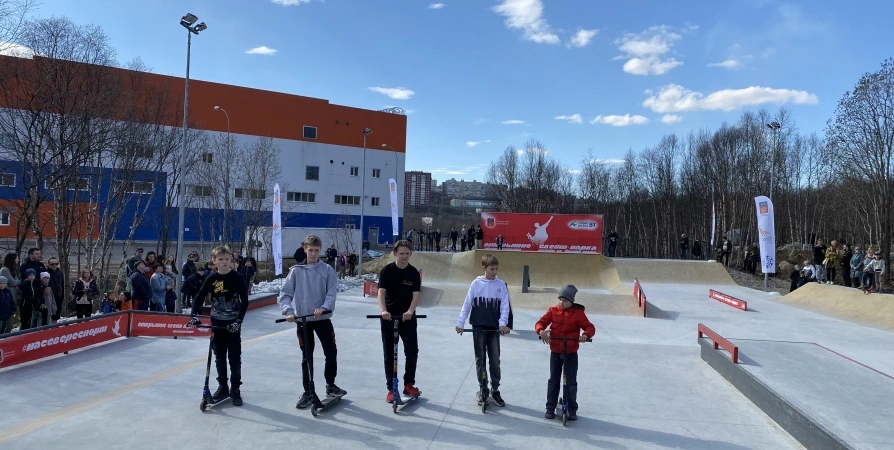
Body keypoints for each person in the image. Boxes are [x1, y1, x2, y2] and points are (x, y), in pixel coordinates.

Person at [278, 234, 347, 409]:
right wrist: (289, 311)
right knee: (306, 357)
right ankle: (308, 391)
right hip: (303, 321)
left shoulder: (327, 270)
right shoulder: (296, 271)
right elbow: (285, 295)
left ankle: (330, 384)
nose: (314, 253)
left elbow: (332, 294)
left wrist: (324, 307)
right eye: (310, 250)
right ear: (305, 249)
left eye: (317, 250)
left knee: (331, 352)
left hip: (322, 319)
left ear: (320, 251)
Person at [188, 246, 249, 406]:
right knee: (219, 357)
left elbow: (245, 301)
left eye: (227, 259)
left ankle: (235, 389)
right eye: (220, 260)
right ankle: (223, 386)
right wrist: (194, 315)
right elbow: (198, 297)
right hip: (217, 324)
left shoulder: (237, 277)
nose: (224, 262)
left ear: (231, 260)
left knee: (235, 358)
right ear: (214, 261)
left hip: (232, 324)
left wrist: (238, 321)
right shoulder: (212, 278)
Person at [455, 254, 510, 407]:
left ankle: (495, 389)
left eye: (497, 269)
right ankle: (483, 388)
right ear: (484, 268)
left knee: (494, 359)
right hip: (478, 327)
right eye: (492, 269)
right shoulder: (476, 284)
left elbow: (505, 306)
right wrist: (461, 322)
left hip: (494, 329)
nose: (495, 272)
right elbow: (467, 303)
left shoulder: (500, 285)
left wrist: (502, 324)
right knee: (481, 360)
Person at [534, 285, 596, 421]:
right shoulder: (553, 311)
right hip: (555, 351)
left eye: (565, 301)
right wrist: (541, 331)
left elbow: (589, 327)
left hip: (571, 352)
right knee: (554, 380)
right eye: (560, 299)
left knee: (571, 381)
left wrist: (585, 335)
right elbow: (541, 322)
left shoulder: (578, 313)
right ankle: (550, 407)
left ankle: (572, 408)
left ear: (571, 302)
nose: (561, 303)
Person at [376, 240, 422, 403]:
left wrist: (410, 311)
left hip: (407, 318)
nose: (404, 256)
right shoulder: (387, 271)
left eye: (407, 253)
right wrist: (383, 310)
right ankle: (391, 388)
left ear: (411, 254)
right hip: (389, 317)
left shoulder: (413, 273)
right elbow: (381, 292)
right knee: (389, 353)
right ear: (395, 253)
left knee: (412, 351)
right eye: (401, 253)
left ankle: (408, 384)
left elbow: (416, 294)